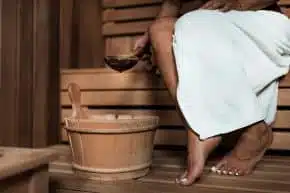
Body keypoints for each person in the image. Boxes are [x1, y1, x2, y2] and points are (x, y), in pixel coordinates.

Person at [133, 0, 290, 186]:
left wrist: (238, 3)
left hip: (263, 23)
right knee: (160, 30)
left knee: (193, 22)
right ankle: (201, 130)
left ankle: (212, 130)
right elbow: (171, 7)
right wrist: (150, 41)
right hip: (210, 26)